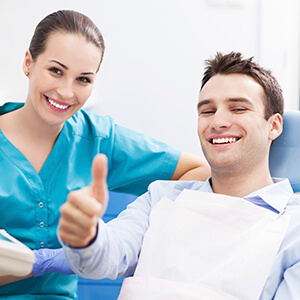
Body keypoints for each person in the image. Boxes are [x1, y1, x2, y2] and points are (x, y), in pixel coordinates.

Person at [0, 10, 210, 299]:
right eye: (56, 71)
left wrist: (116, 237)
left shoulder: (99, 140)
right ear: (28, 62)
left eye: (83, 79)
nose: (65, 91)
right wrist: (34, 265)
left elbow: (198, 172)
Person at [59, 52, 300, 299]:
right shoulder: (161, 198)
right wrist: (87, 236)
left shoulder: (295, 229)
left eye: (238, 108)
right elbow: (108, 256)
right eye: (207, 111)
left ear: (274, 126)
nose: (218, 121)